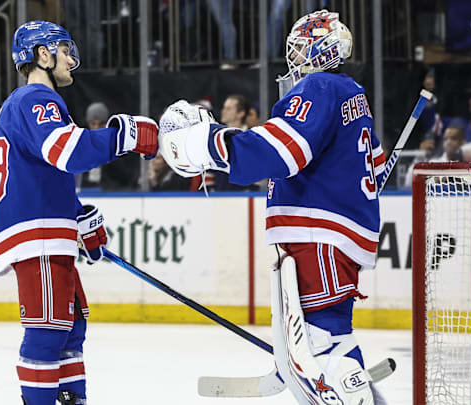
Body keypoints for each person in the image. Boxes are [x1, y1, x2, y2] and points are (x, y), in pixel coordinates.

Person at [158, 10, 384, 404]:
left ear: (321, 50)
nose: (293, 60)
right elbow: (376, 166)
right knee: (331, 333)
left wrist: (203, 143)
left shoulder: (320, 88)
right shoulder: (352, 94)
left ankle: (352, 390)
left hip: (320, 232)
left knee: (322, 342)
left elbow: (279, 151)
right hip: (333, 231)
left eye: (299, 50)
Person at [0, 21, 157, 405]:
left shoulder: (35, 104)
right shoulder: (34, 99)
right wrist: (125, 135)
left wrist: (76, 219)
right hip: (37, 236)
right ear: (42, 54)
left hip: (47, 230)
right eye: (62, 49)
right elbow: (68, 151)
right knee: (47, 331)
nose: (69, 57)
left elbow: (47, 173)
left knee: (70, 327)